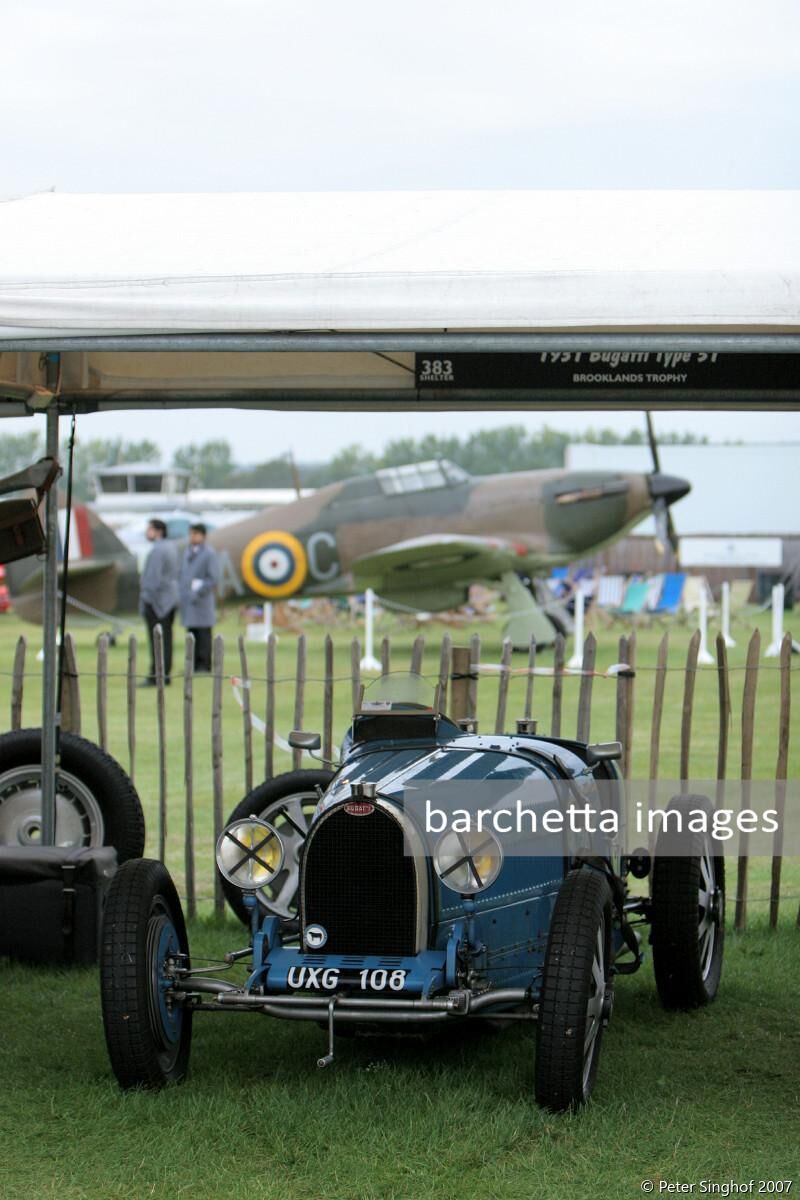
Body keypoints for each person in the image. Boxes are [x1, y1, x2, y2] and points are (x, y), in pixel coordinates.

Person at [139, 518, 179, 686]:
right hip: (169, 601)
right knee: (166, 639)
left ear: (158, 531)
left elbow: (152, 579)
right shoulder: (171, 547)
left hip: (157, 603)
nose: (147, 533)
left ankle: (156, 675)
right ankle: (165, 673)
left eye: (149, 529)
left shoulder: (158, 550)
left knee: (157, 639)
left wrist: (146, 598)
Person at [179, 523, 219, 672]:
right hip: (189, 601)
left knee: (204, 635)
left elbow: (213, 578)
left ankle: (204, 665)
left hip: (202, 600)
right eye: (191, 534)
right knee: (192, 633)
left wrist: (199, 589)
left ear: (203, 536)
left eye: (196, 534)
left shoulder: (209, 553)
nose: (193, 537)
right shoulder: (187, 552)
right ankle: (193, 664)